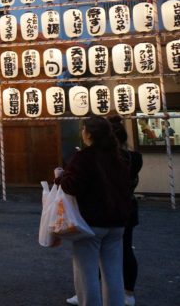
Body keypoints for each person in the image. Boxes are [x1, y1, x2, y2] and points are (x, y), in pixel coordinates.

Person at [56, 116, 131, 306]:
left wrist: (60, 178)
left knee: (86, 273)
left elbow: (72, 186)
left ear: (88, 133)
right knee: (113, 271)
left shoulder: (84, 157)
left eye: (83, 129)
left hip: (90, 222)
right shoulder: (119, 156)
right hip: (117, 222)